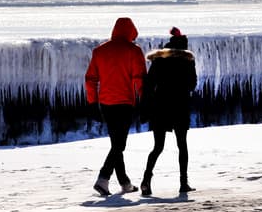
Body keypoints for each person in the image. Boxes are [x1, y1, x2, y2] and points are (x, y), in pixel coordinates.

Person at [84, 16, 147, 197]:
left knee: (116, 143)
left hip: (105, 103)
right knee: (119, 144)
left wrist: (92, 102)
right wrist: (145, 101)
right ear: (130, 32)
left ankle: (125, 183)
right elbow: (139, 79)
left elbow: (91, 79)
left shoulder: (100, 51)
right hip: (125, 103)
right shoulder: (134, 51)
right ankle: (103, 178)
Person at [141, 27, 198, 196]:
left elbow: (149, 84)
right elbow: (192, 85)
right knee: (182, 145)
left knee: (158, 146)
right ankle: (183, 183)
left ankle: (146, 180)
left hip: (161, 106)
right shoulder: (188, 60)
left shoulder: (159, 60)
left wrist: (147, 106)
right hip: (180, 105)